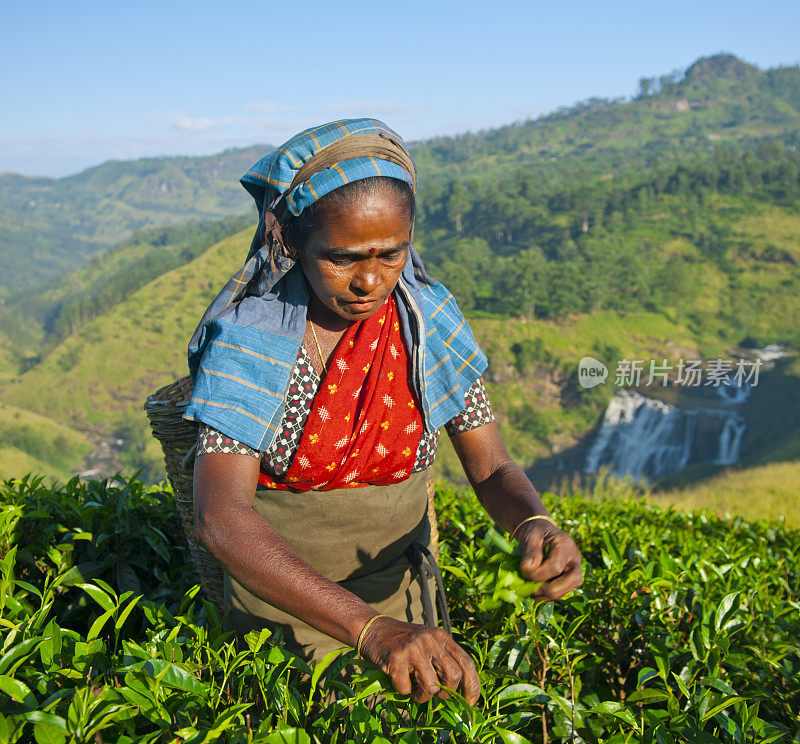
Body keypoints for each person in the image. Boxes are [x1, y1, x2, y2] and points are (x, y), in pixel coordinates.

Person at [186, 119, 583, 706]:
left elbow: (492, 468)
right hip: (285, 602)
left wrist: (532, 523)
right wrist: (368, 630)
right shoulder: (253, 341)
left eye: (390, 253)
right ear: (294, 245)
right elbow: (220, 518)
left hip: (403, 598)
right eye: (342, 258)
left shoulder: (428, 327)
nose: (370, 280)